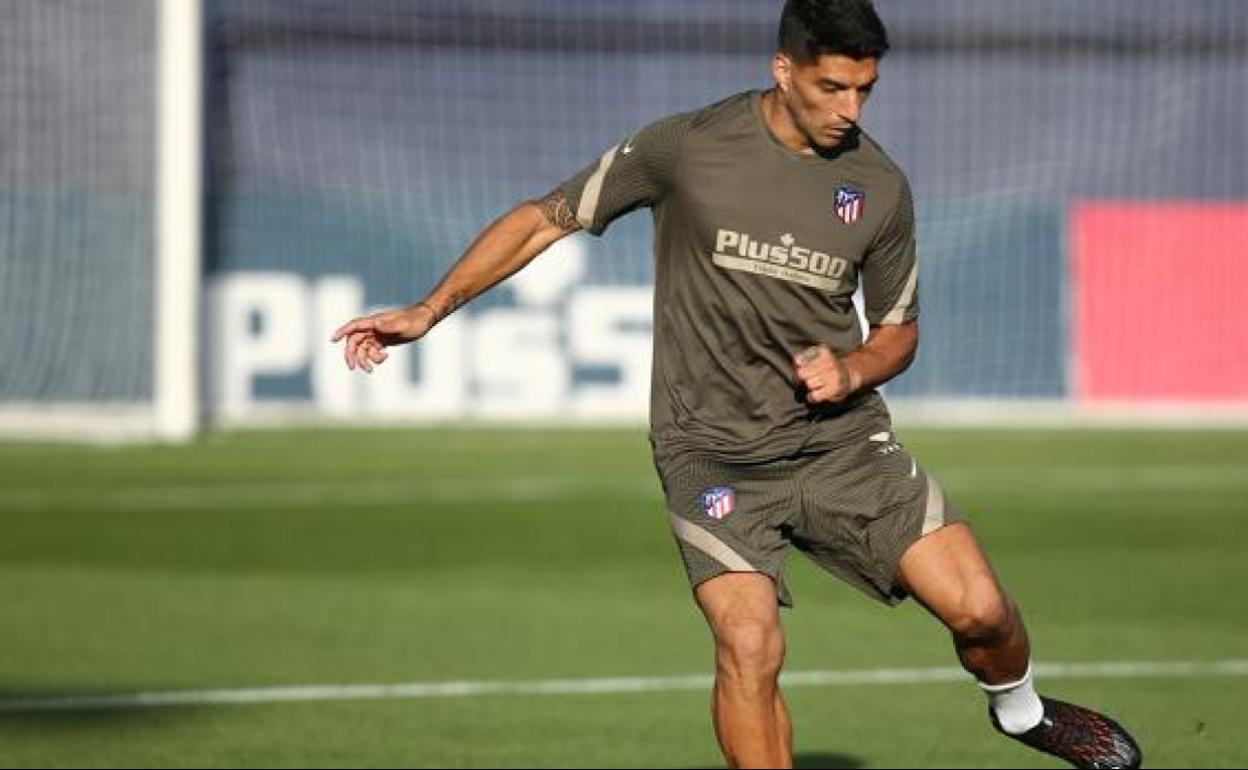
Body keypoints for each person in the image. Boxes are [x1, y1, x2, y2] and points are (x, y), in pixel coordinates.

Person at [331, 1, 1142, 767]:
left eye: (864, 90)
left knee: (983, 611)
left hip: (840, 444)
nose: (850, 109)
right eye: (833, 87)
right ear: (783, 69)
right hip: (712, 455)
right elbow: (546, 217)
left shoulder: (880, 186)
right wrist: (429, 309)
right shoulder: (686, 146)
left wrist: (852, 368)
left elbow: (899, 332)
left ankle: (1023, 713)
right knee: (749, 643)